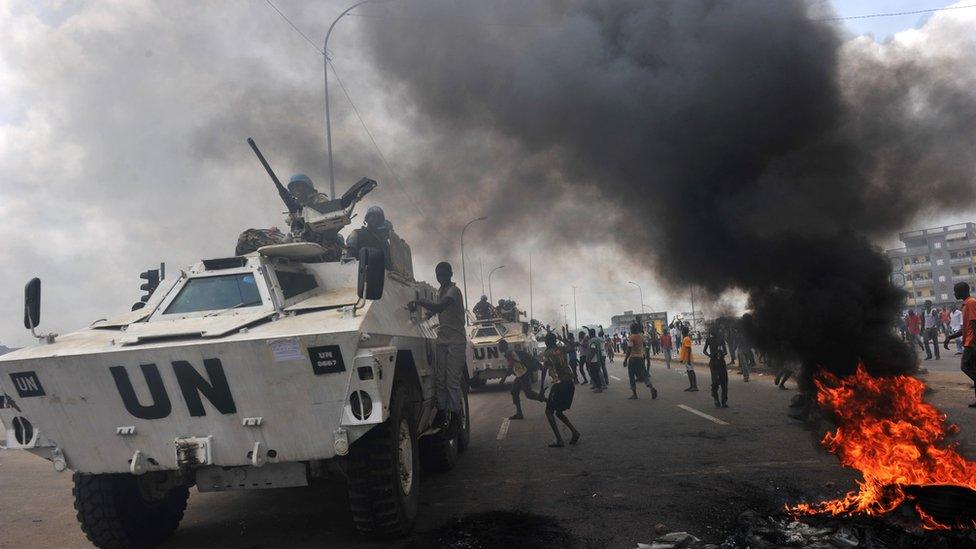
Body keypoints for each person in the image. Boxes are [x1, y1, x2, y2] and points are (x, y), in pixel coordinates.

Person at [408, 262, 465, 429]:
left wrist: (420, 302)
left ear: (450, 274)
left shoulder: (453, 291)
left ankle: (454, 416)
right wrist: (429, 313)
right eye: (438, 274)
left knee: (452, 382)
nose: (440, 277)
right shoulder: (441, 291)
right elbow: (439, 310)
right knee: (440, 380)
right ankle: (442, 412)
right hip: (443, 340)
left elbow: (441, 306)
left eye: (443, 273)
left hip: (456, 340)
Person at [287, 174, 346, 255]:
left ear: (307, 187)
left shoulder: (318, 199)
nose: (296, 189)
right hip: (302, 242)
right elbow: (290, 222)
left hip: (323, 243)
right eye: (293, 187)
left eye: (299, 186)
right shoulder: (295, 206)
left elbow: (329, 217)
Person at [540, 332, 580, 447]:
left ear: (547, 342)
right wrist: (562, 339)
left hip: (560, 384)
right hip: (569, 383)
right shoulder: (562, 348)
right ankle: (574, 432)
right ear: (555, 340)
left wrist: (542, 387)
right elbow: (572, 347)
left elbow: (544, 370)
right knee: (558, 412)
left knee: (549, 412)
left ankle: (559, 440)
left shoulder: (547, 353)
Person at [944, 282, 976, 408]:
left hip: (971, 343)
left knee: (966, 367)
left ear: (963, 291)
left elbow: (974, 324)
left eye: (956, 291)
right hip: (969, 342)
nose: (954, 293)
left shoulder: (971, 303)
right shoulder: (965, 305)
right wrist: (950, 337)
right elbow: (966, 328)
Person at [498, 339, 544, 420]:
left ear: (504, 346)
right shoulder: (510, 352)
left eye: (500, 346)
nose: (499, 348)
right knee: (514, 391)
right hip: (521, 374)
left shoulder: (508, 353)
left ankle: (547, 400)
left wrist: (503, 379)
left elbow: (510, 367)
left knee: (528, 394)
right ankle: (519, 413)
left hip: (523, 374)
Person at [623, 322, 658, 400]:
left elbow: (629, 349)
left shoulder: (631, 337)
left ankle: (634, 394)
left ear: (632, 329)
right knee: (644, 374)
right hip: (640, 358)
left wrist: (625, 359)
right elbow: (645, 345)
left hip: (633, 359)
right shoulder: (641, 336)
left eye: (631, 328)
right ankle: (651, 388)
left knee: (631, 375)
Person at [703, 326, 729, 408]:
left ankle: (723, 401)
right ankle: (716, 399)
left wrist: (721, 354)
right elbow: (704, 350)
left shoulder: (721, 340)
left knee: (723, 382)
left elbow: (725, 351)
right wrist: (710, 355)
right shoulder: (709, 340)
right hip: (714, 363)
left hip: (720, 362)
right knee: (716, 381)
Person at [679, 326, 698, 391]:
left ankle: (694, 386)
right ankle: (691, 386)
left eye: (682, 331)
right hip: (687, 359)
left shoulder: (686, 339)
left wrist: (689, 360)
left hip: (688, 359)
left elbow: (689, 349)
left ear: (683, 332)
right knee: (689, 372)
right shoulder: (685, 338)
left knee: (691, 372)